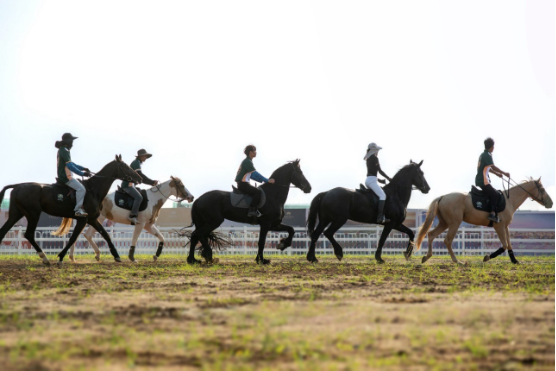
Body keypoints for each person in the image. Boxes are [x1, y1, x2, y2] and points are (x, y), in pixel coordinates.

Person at [55, 133, 92, 218]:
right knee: (81, 188)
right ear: (67, 141)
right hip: (66, 177)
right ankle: (78, 210)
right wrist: (82, 174)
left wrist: (83, 168)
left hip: (66, 175)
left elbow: (72, 163)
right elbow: (70, 166)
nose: (72, 143)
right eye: (71, 141)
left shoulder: (63, 149)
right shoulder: (64, 150)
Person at [475, 137, 510, 223]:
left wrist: (497, 174)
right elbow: (493, 167)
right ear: (492, 147)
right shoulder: (487, 155)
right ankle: (492, 214)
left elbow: (488, 168)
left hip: (481, 180)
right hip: (483, 181)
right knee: (495, 194)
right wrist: (504, 173)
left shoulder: (483, 154)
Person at [235, 145, 275, 217]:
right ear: (250, 152)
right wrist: (267, 180)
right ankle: (252, 210)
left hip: (244, 183)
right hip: (243, 184)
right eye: (254, 151)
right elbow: (255, 173)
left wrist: (264, 181)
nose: (256, 152)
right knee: (258, 192)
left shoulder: (248, 161)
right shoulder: (247, 162)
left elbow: (252, 176)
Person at [122, 149, 159, 224]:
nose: (146, 158)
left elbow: (141, 178)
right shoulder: (136, 163)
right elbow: (141, 176)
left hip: (131, 185)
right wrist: (151, 182)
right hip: (127, 186)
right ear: (141, 156)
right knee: (139, 197)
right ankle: (132, 216)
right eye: (145, 156)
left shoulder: (137, 162)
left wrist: (151, 183)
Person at [364, 143, 392, 224]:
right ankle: (380, 217)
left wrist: (379, 180)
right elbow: (380, 171)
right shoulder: (375, 158)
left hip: (369, 180)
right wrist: (389, 178)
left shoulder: (368, 158)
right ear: (374, 150)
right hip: (371, 181)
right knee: (383, 195)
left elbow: (372, 172)